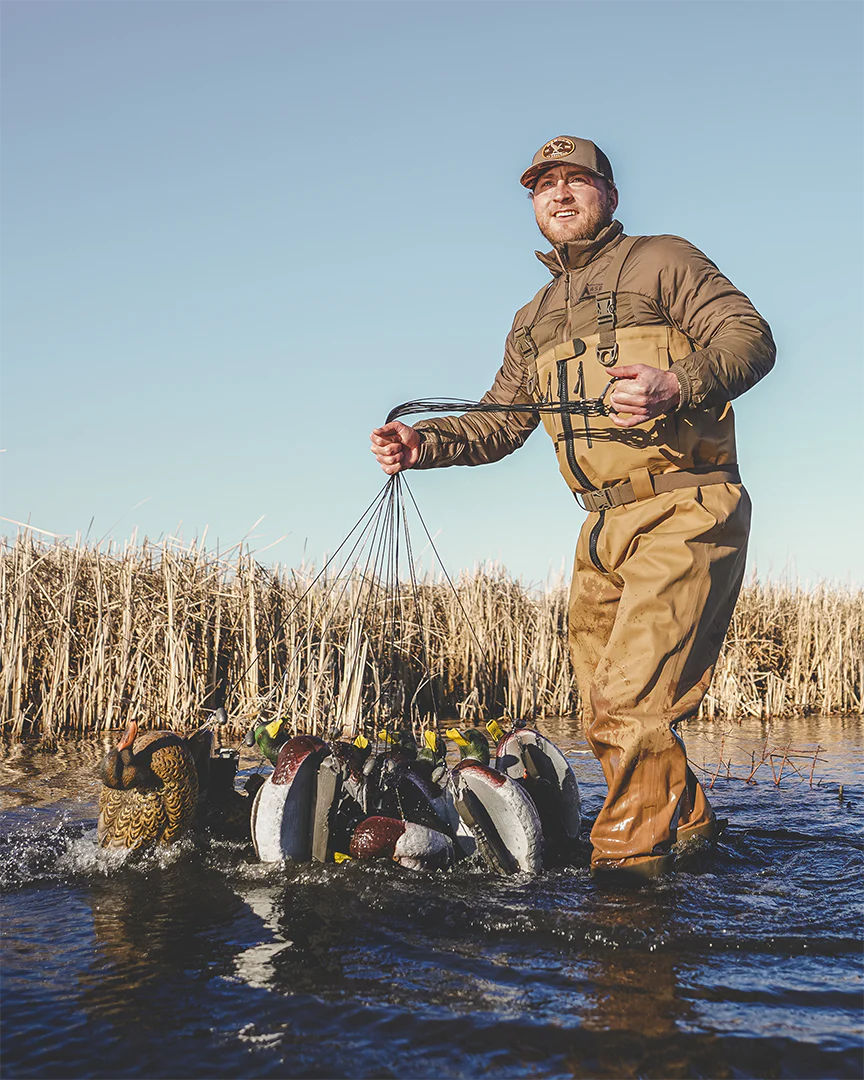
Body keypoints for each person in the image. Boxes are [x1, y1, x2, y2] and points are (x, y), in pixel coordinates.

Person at [369, 136, 775, 884]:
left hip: (687, 502)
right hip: (601, 529)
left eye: (576, 181)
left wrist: (676, 383)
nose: (558, 194)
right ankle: (690, 840)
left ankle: (625, 883)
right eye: (541, 185)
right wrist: (422, 443)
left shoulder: (665, 260)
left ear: (609, 196)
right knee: (608, 715)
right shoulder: (533, 317)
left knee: (630, 706)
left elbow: (749, 338)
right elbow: (499, 421)